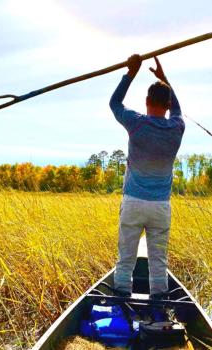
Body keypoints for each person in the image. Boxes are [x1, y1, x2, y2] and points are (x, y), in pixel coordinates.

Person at [109, 54, 185, 298]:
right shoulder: (177, 127)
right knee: (158, 262)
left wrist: (131, 73)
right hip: (160, 207)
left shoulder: (136, 123)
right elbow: (177, 109)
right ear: (167, 104)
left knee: (126, 259)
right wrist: (164, 79)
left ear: (146, 101)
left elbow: (115, 103)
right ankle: (159, 307)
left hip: (133, 203)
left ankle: (122, 301)